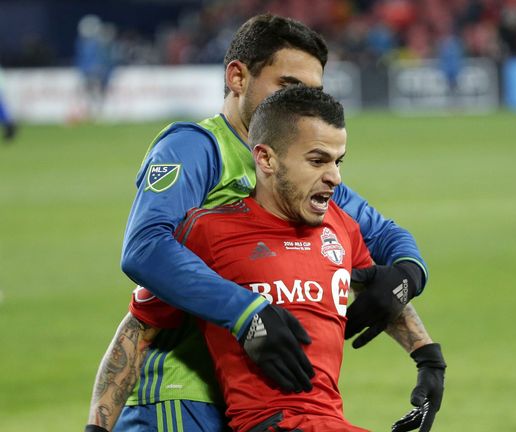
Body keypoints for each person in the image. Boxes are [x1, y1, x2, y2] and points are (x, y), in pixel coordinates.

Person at [86, 14, 444, 432]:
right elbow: (144, 249)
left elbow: (384, 236)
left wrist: (404, 284)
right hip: (183, 391)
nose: (304, 103)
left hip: (263, 400)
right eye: (288, 87)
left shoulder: (300, 170)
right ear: (237, 77)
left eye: (314, 92)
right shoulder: (196, 148)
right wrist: (245, 312)